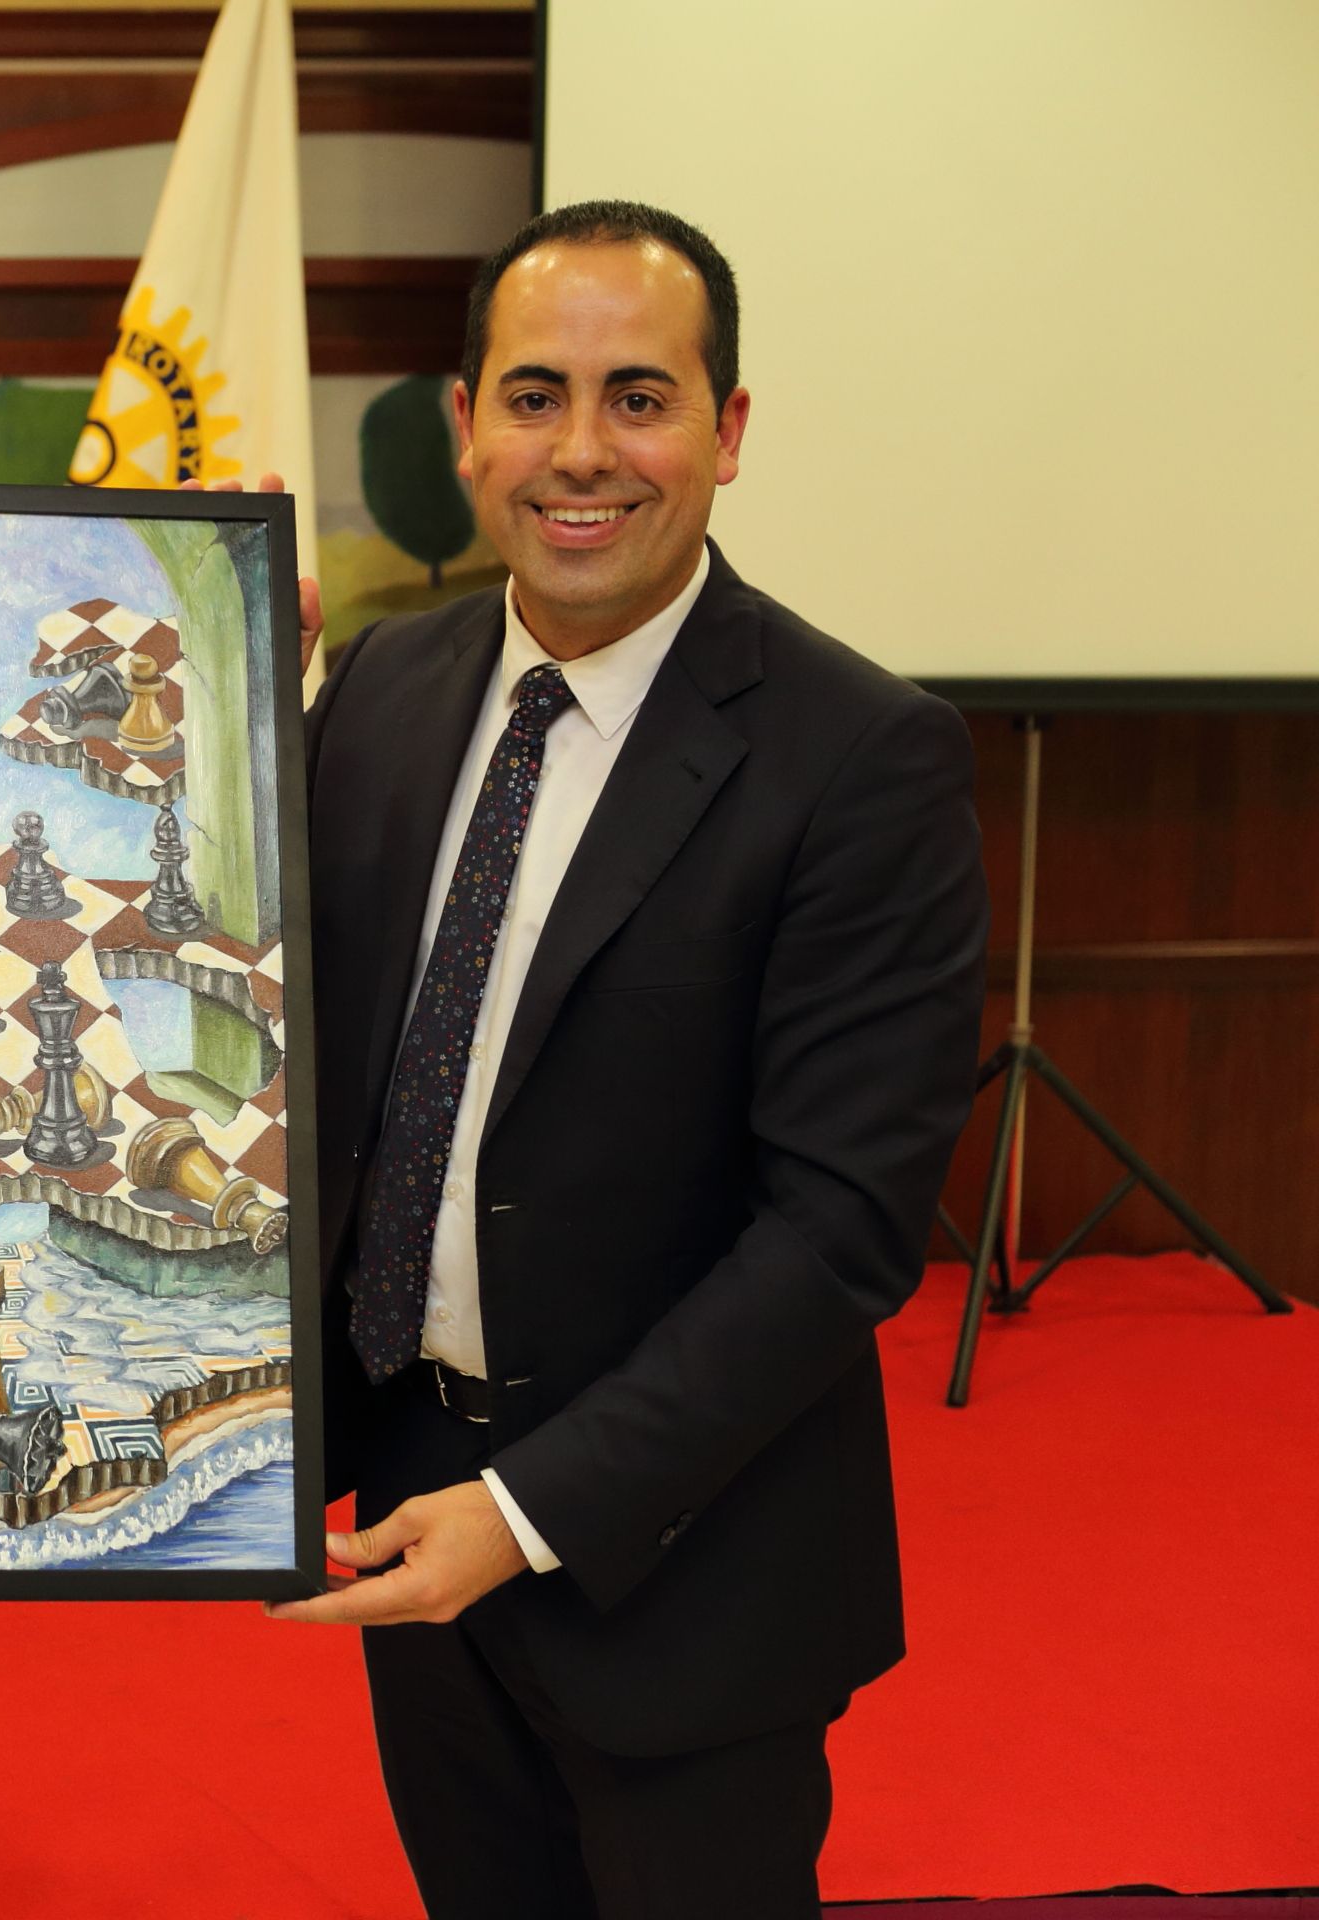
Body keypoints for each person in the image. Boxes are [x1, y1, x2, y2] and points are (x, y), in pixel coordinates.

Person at [269, 201, 988, 1916]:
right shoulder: (380, 687)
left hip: (686, 1563)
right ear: (466, 427)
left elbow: (839, 1234)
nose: (581, 452)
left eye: (639, 398)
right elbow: (285, 1045)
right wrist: (212, 724)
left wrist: (528, 1511)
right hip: (410, 1505)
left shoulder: (863, 756)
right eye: (534, 396)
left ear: (726, 432)